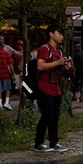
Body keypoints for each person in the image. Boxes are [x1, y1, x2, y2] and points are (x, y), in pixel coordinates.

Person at [34, 23, 72, 152]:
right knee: (47, 115)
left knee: (55, 116)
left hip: (56, 89)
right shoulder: (45, 49)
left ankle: (53, 142)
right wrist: (58, 62)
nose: (61, 36)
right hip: (44, 87)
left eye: (62, 34)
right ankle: (38, 143)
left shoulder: (59, 52)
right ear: (51, 34)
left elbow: (59, 70)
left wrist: (66, 68)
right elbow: (40, 66)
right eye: (59, 33)